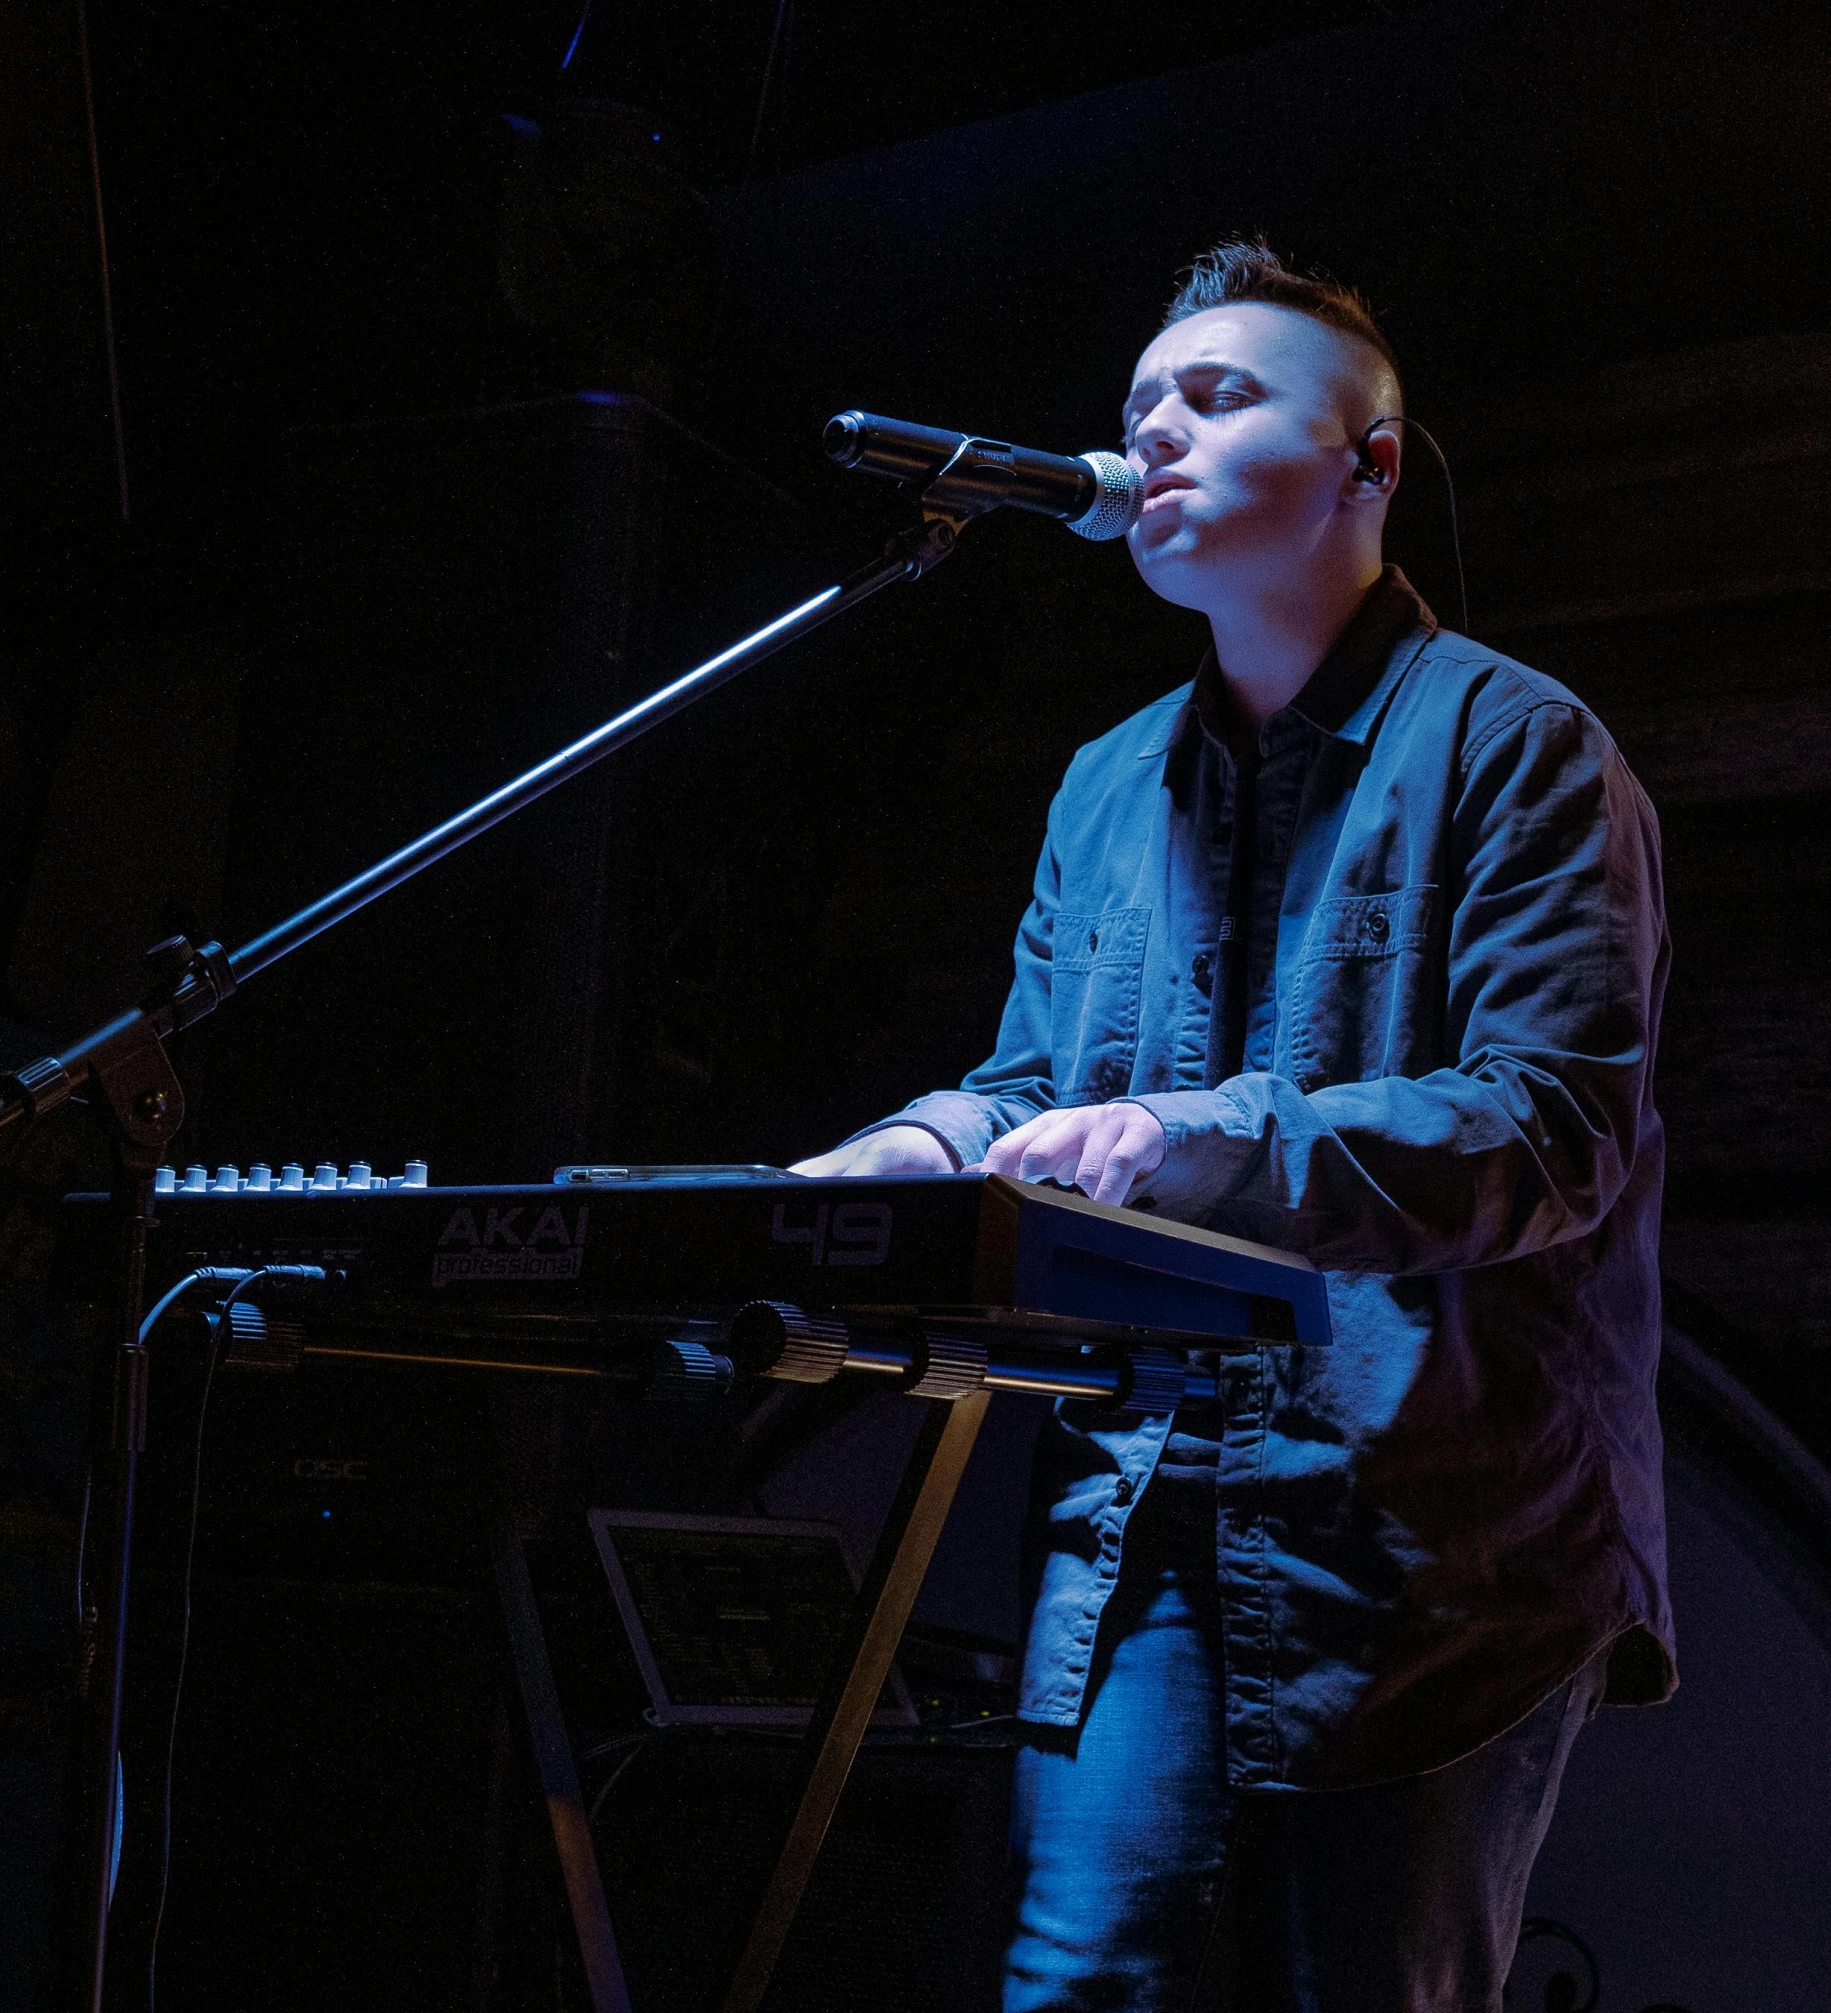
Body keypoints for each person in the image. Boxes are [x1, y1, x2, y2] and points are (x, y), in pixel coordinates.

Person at [792, 240, 1673, 2012]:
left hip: (1433, 1537)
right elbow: (1042, 1087)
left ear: (1370, 465)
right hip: (1139, 1508)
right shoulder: (1109, 779)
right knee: (1079, 1983)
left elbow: (1546, 1128)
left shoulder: (1520, 747)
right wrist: (917, 1151)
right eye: (1136, 409)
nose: (1157, 438)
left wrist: (1195, 1136)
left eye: (1217, 396)